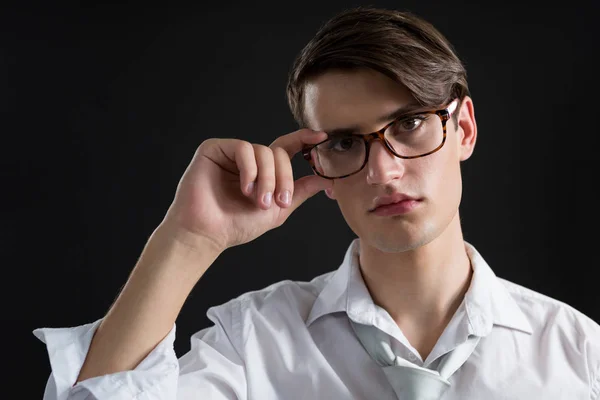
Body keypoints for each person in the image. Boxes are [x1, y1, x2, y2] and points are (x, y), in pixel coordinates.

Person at [34, 6, 600, 400]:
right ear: (316, 162)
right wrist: (189, 238)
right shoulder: (252, 343)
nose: (383, 169)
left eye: (409, 124)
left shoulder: (581, 356)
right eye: (345, 143)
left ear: (465, 129)